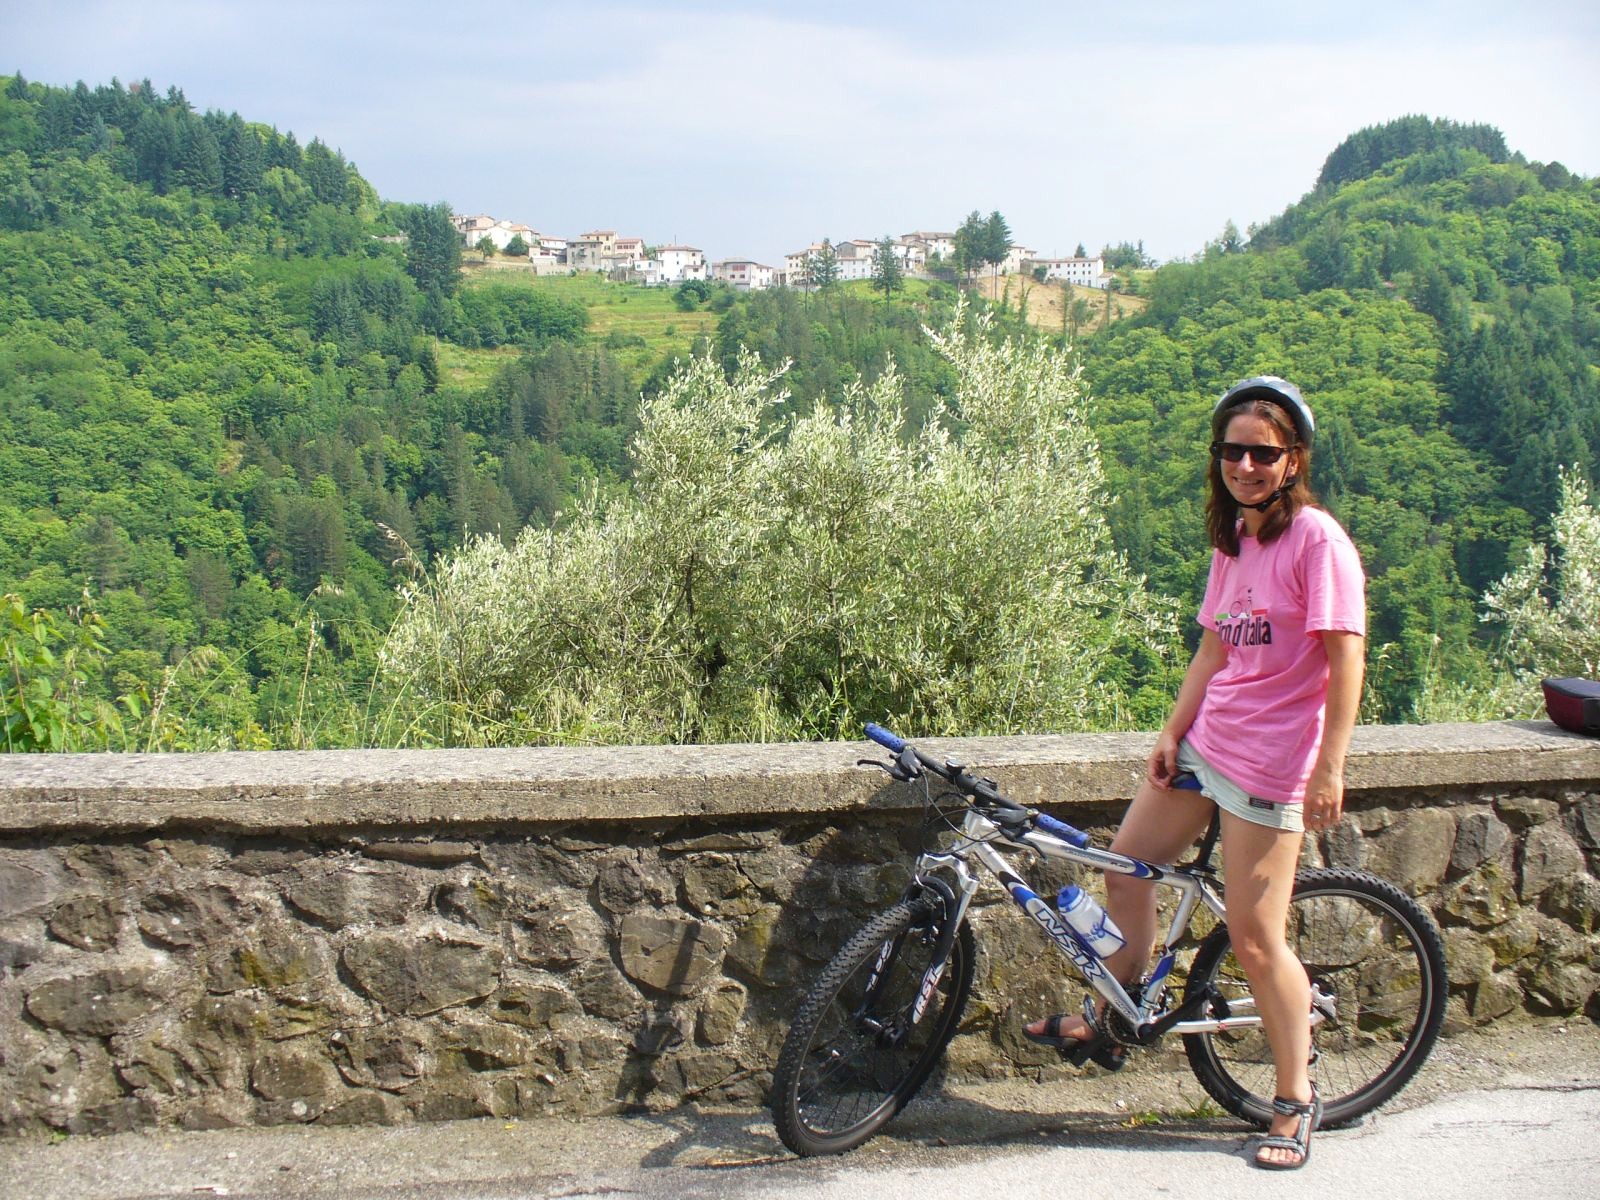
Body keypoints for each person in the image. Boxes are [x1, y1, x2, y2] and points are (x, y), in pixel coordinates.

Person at [1025, 375, 1366, 1171]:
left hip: (1271, 766)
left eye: (1263, 452)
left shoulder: (1317, 542)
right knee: (1125, 871)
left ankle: (1293, 1100)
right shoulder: (1236, 539)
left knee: (1253, 936)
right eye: (1232, 451)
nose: (1245, 464)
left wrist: (1329, 766)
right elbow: (1215, 648)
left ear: (1293, 460)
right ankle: (1117, 1012)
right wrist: (1173, 730)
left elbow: (1346, 658)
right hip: (1208, 745)